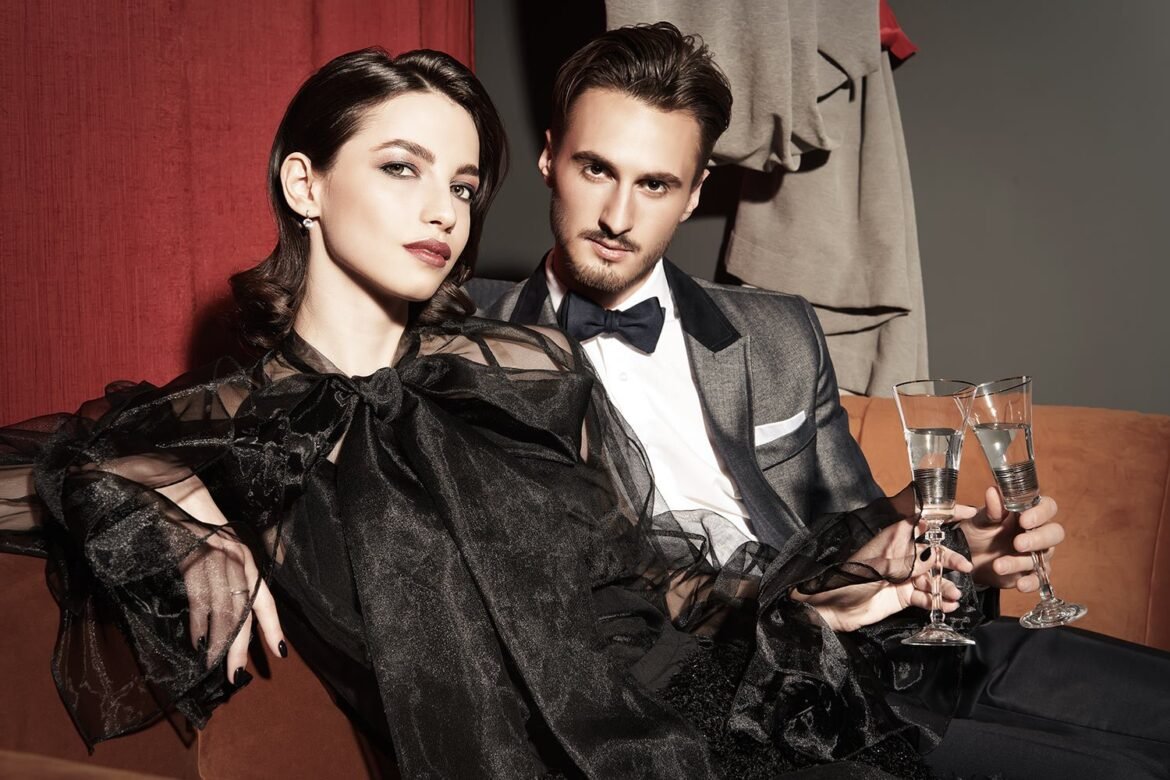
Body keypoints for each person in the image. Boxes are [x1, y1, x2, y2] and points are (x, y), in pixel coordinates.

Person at [0, 46, 976, 780]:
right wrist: (167, 499)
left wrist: (803, 604)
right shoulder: (243, 417)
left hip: (698, 713)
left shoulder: (520, 364)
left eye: (462, 185)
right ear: (305, 183)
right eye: (402, 168)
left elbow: (640, 583)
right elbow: (34, 465)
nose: (444, 210)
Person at [483, 21, 1170, 780]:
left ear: (694, 192)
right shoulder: (478, 363)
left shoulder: (778, 332)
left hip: (903, 646)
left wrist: (959, 560)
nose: (618, 217)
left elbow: (859, 531)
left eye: (655, 184)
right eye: (595, 169)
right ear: (549, 157)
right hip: (752, 701)